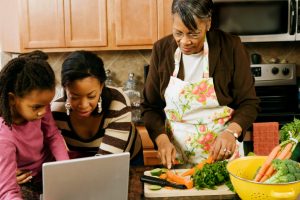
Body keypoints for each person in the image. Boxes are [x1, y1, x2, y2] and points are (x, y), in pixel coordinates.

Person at [142, 0, 260, 168]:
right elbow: (150, 106)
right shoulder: (162, 50)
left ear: (208, 23)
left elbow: (249, 103)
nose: (184, 41)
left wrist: (231, 131)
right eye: (178, 33)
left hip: (222, 156)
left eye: (193, 34)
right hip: (176, 158)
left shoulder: (230, 47)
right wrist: (161, 140)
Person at [51, 50, 142, 164]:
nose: (83, 105)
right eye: (74, 97)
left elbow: (105, 163)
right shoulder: (56, 111)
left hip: (128, 160)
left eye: (91, 96)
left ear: (101, 86)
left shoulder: (118, 104)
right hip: (85, 163)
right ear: (65, 89)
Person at [0, 50, 69, 199]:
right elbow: (7, 192)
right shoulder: (4, 137)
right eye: (37, 107)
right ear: (12, 99)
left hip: (49, 171)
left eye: (47, 105)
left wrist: (66, 167)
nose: (43, 112)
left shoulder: (39, 107)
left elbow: (52, 135)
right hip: (26, 180)